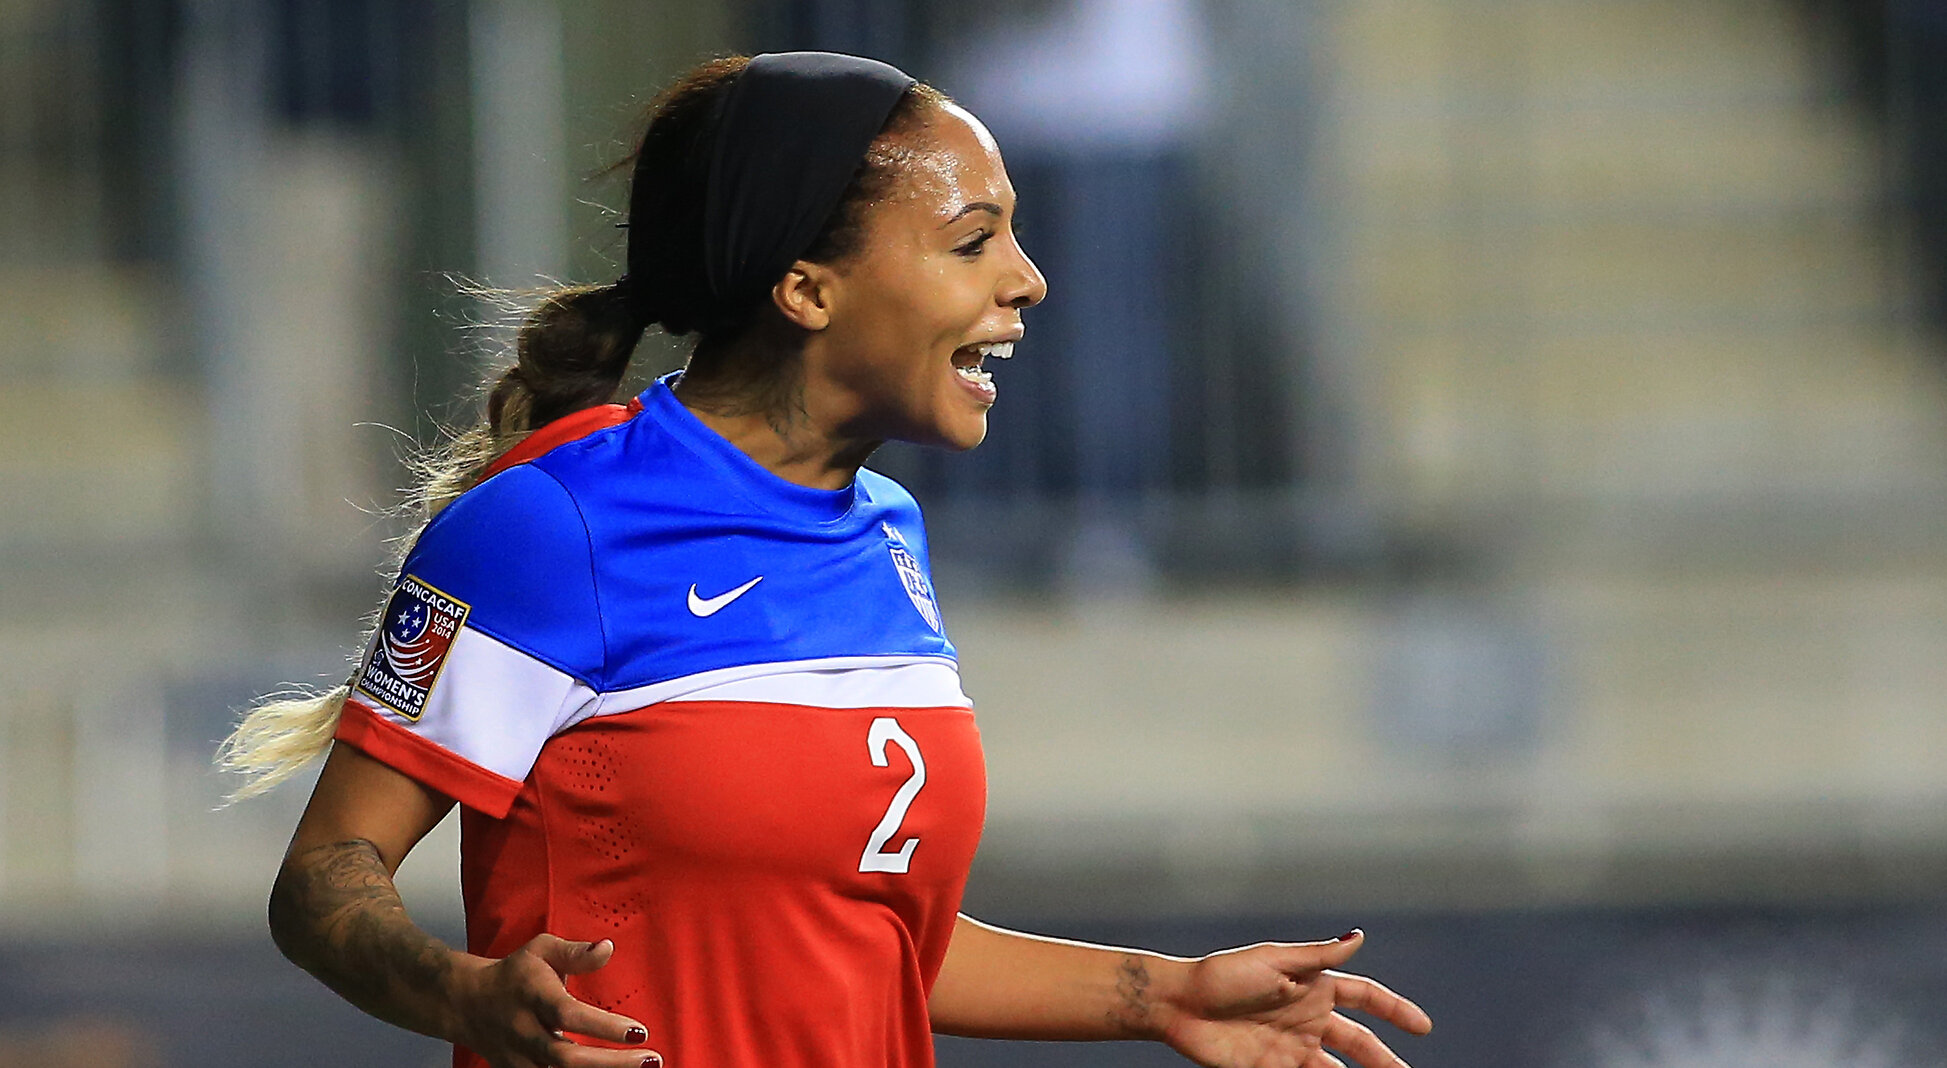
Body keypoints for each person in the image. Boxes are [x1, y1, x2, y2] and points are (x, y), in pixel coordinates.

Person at [218, 52, 1433, 1068]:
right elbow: (325, 875)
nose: (1028, 280)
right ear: (807, 287)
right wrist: (460, 994)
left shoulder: (890, 532)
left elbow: (863, 926)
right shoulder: (556, 526)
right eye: (974, 243)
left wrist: (1159, 997)